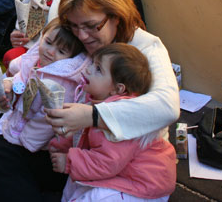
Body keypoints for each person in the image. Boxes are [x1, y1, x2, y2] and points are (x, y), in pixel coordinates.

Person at [0, 0, 179, 200]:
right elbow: (40, 68)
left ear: (115, 15)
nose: (82, 36)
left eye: (91, 26)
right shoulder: (79, 32)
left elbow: (167, 106)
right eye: (74, 26)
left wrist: (92, 116)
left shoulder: (146, 47)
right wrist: (13, 89)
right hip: (68, 151)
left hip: (124, 164)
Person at [49, 43, 176, 202]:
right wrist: (60, 143)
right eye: (93, 64)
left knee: (91, 198)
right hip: (121, 172)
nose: (88, 70)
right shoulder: (97, 101)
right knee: (73, 186)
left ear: (118, 89)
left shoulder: (120, 118)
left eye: (98, 69)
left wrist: (68, 160)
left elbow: (107, 163)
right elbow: (82, 136)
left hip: (144, 184)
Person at [0, 19, 84, 158]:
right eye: (48, 42)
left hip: (27, 136)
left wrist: (26, 141)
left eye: (61, 51)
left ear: (70, 58)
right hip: (18, 116)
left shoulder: (59, 84)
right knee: (2, 124)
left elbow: (45, 122)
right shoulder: (35, 60)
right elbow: (22, 80)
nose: (50, 52)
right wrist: (10, 87)